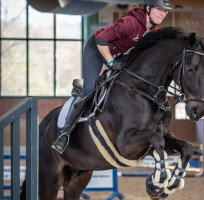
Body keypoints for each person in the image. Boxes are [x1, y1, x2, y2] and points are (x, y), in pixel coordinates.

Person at [52, 0, 173, 154]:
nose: (163, 14)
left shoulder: (152, 32)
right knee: (90, 90)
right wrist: (110, 61)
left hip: (118, 56)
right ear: (148, 8)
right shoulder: (129, 23)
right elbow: (100, 38)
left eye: (165, 11)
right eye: (159, 9)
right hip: (96, 50)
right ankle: (65, 133)